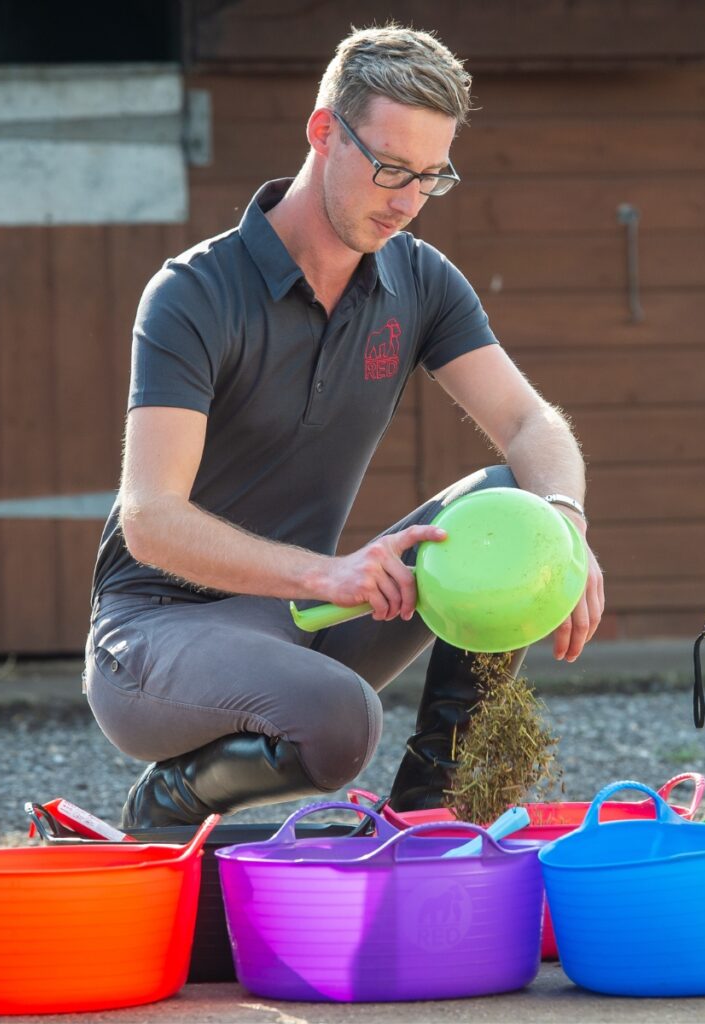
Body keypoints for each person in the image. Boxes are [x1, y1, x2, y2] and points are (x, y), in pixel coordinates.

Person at [83, 24, 604, 830]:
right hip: (157, 634)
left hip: (307, 617)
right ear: (324, 132)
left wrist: (564, 529)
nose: (406, 201)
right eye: (391, 168)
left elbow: (530, 422)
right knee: (342, 721)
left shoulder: (420, 279)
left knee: (517, 505)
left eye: (431, 177)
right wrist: (327, 575)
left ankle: (436, 804)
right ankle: (167, 798)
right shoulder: (193, 293)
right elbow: (152, 521)